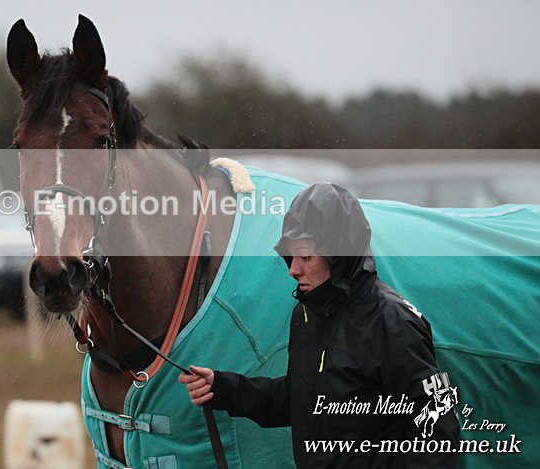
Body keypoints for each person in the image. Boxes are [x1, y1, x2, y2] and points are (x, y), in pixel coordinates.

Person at [179, 182, 459, 467]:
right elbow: (300, 399)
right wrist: (226, 389)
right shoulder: (306, 314)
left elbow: (438, 440)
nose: (292, 269)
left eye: (306, 256)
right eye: (291, 255)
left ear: (338, 255)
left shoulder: (392, 322)